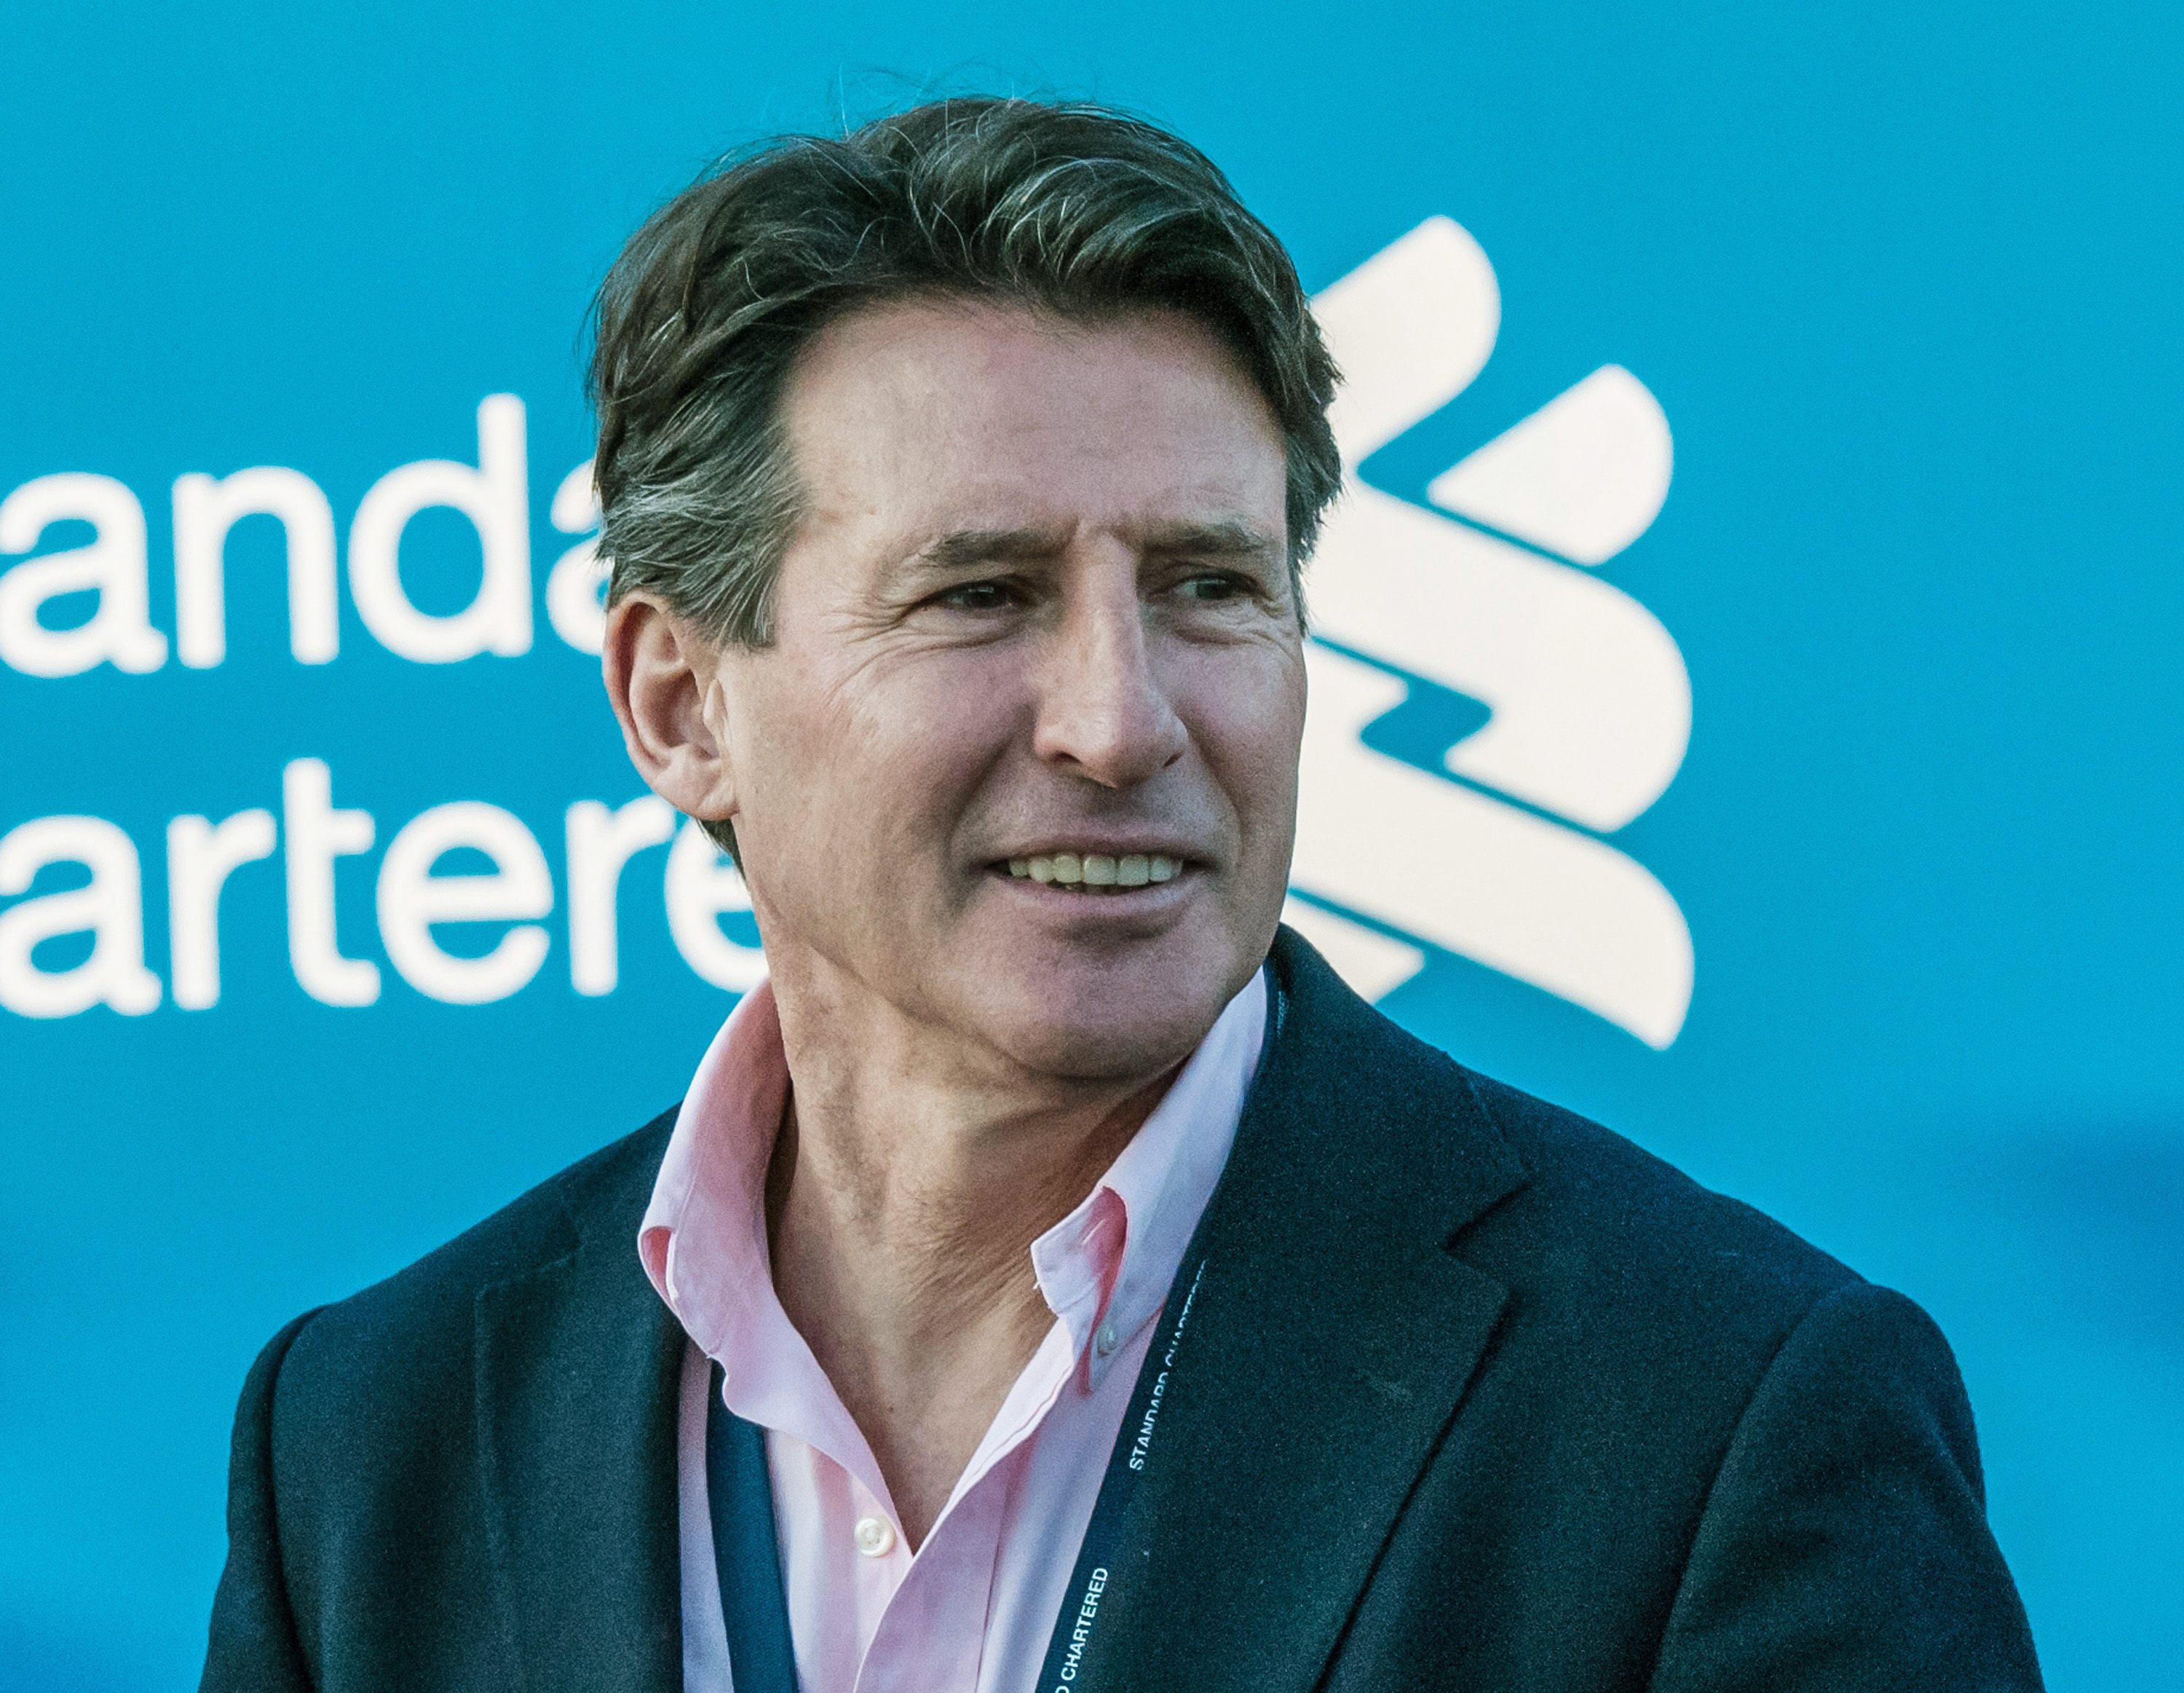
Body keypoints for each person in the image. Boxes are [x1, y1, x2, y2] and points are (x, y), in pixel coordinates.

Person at [200, 98, 2043, 1693]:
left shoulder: (1712, 1410)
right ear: (682, 706)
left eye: (1208, 587)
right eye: (980, 594)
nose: (1121, 718)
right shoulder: (370, 1443)